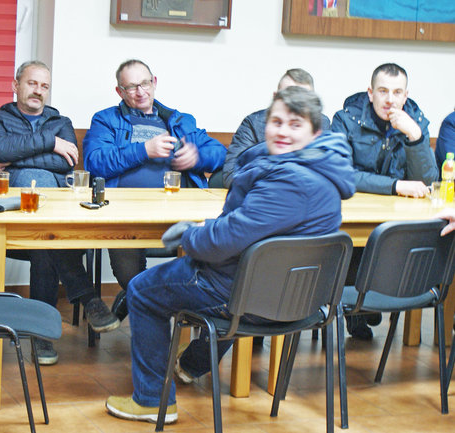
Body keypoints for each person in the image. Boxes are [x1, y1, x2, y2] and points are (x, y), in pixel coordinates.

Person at [104, 86, 355, 423]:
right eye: (276, 122)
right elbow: (249, 228)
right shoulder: (326, 171)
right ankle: (192, 365)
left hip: (249, 297)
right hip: (300, 299)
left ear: (315, 133)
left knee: (141, 290)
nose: (283, 131)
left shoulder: (288, 180)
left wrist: (191, 234)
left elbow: (225, 241)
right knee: (230, 279)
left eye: (295, 124)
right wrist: (210, 229)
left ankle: (151, 399)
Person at [0, 60, 120, 364]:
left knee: (43, 235)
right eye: (32, 83)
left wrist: (16, 157)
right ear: (15, 85)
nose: (38, 91)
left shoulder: (60, 121)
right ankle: (86, 297)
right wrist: (50, 143)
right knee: (44, 224)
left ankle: (40, 333)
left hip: (52, 214)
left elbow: (64, 162)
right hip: (9, 215)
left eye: (44, 86)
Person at [83, 59, 227, 320]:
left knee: (213, 256)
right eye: (131, 87)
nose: (140, 92)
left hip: (180, 212)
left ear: (154, 82)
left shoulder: (179, 121)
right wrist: (143, 150)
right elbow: (95, 161)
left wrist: (197, 157)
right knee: (128, 271)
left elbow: (219, 153)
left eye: (145, 83)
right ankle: (141, 293)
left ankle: (140, 297)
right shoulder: (106, 120)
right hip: (125, 213)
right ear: (119, 91)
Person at [331, 63, 438, 339]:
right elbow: (342, 173)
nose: (390, 99)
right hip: (355, 211)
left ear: (406, 95)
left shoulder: (416, 121)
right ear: (370, 93)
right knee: (353, 243)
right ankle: (359, 307)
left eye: (397, 92)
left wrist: (415, 137)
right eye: (383, 91)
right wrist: (395, 186)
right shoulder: (345, 120)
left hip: (399, 216)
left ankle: (375, 300)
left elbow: (428, 181)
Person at [222, 68, 331, 188]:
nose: (294, 106)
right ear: (275, 98)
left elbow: (328, 175)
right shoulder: (253, 122)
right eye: (287, 96)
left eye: (303, 100)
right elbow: (232, 175)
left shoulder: (321, 123)